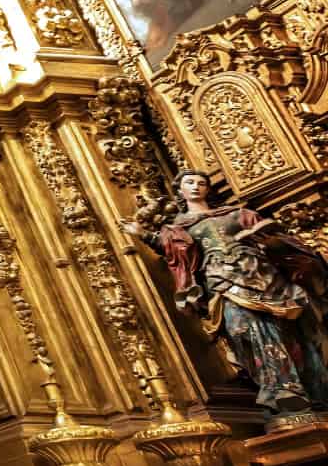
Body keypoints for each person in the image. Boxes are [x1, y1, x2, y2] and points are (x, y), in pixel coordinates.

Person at [124, 170, 328, 421]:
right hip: (222, 281)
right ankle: (277, 389)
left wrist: (264, 238)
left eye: (202, 183)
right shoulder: (178, 226)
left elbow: (273, 237)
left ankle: (303, 391)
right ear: (180, 190)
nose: (196, 187)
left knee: (287, 331)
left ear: (208, 189)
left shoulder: (236, 213)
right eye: (190, 183)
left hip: (264, 276)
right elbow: (172, 251)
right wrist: (143, 234)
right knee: (242, 329)